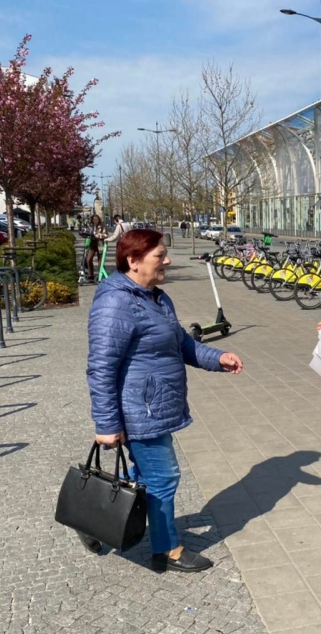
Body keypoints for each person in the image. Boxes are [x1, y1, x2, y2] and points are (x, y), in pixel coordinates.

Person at [85, 229, 244, 572]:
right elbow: (101, 368)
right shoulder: (116, 303)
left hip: (155, 405)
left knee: (149, 473)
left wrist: (217, 358)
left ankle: (94, 512)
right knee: (164, 476)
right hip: (138, 409)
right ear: (133, 261)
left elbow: (182, 343)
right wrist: (107, 424)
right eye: (159, 255)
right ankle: (167, 549)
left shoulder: (156, 297)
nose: (168, 261)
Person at [84, 214, 105, 282]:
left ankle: (100, 275)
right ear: (92, 220)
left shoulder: (102, 226)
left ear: (99, 220)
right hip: (92, 244)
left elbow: (106, 235)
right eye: (94, 219)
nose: (95, 221)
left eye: (97, 219)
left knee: (100, 260)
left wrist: (99, 235)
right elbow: (87, 233)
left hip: (100, 244)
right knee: (88, 259)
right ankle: (90, 275)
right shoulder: (90, 226)